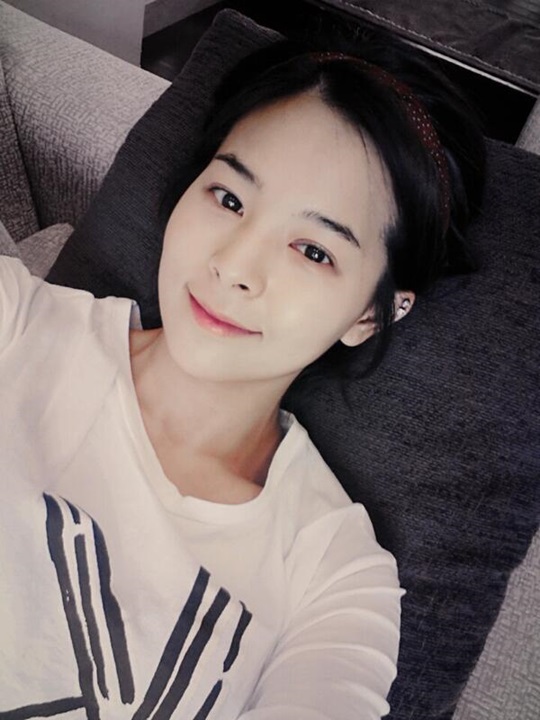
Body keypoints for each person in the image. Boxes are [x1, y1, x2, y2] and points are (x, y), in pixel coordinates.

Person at [0, 26, 485, 720]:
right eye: (229, 199)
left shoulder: (334, 578)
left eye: (313, 251)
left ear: (371, 315)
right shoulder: (18, 323)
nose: (234, 266)